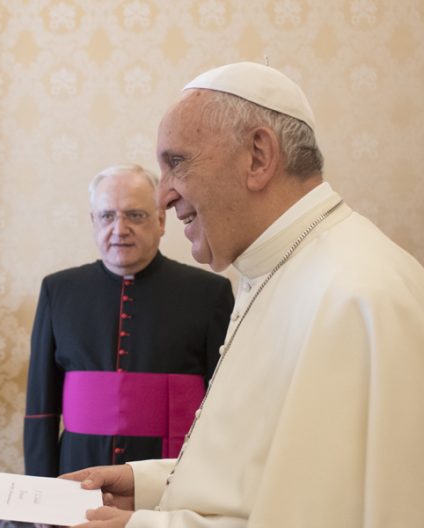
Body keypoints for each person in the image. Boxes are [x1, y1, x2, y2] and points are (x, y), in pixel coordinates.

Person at [62, 62, 424, 527]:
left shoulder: (359, 298)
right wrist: (149, 487)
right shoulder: (278, 270)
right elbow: (268, 471)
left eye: (177, 163)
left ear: (257, 157)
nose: (163, 198)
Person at [24, 164, 234, 477]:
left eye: (135, 215)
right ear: (93, 222)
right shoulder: (58, 291)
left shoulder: (208, 293)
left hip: (172, 471)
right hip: (79, 468)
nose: (119, 229)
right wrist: (41, 489)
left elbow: (226, 404)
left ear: (161, 220)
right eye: (107, 216)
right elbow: (42, 407)